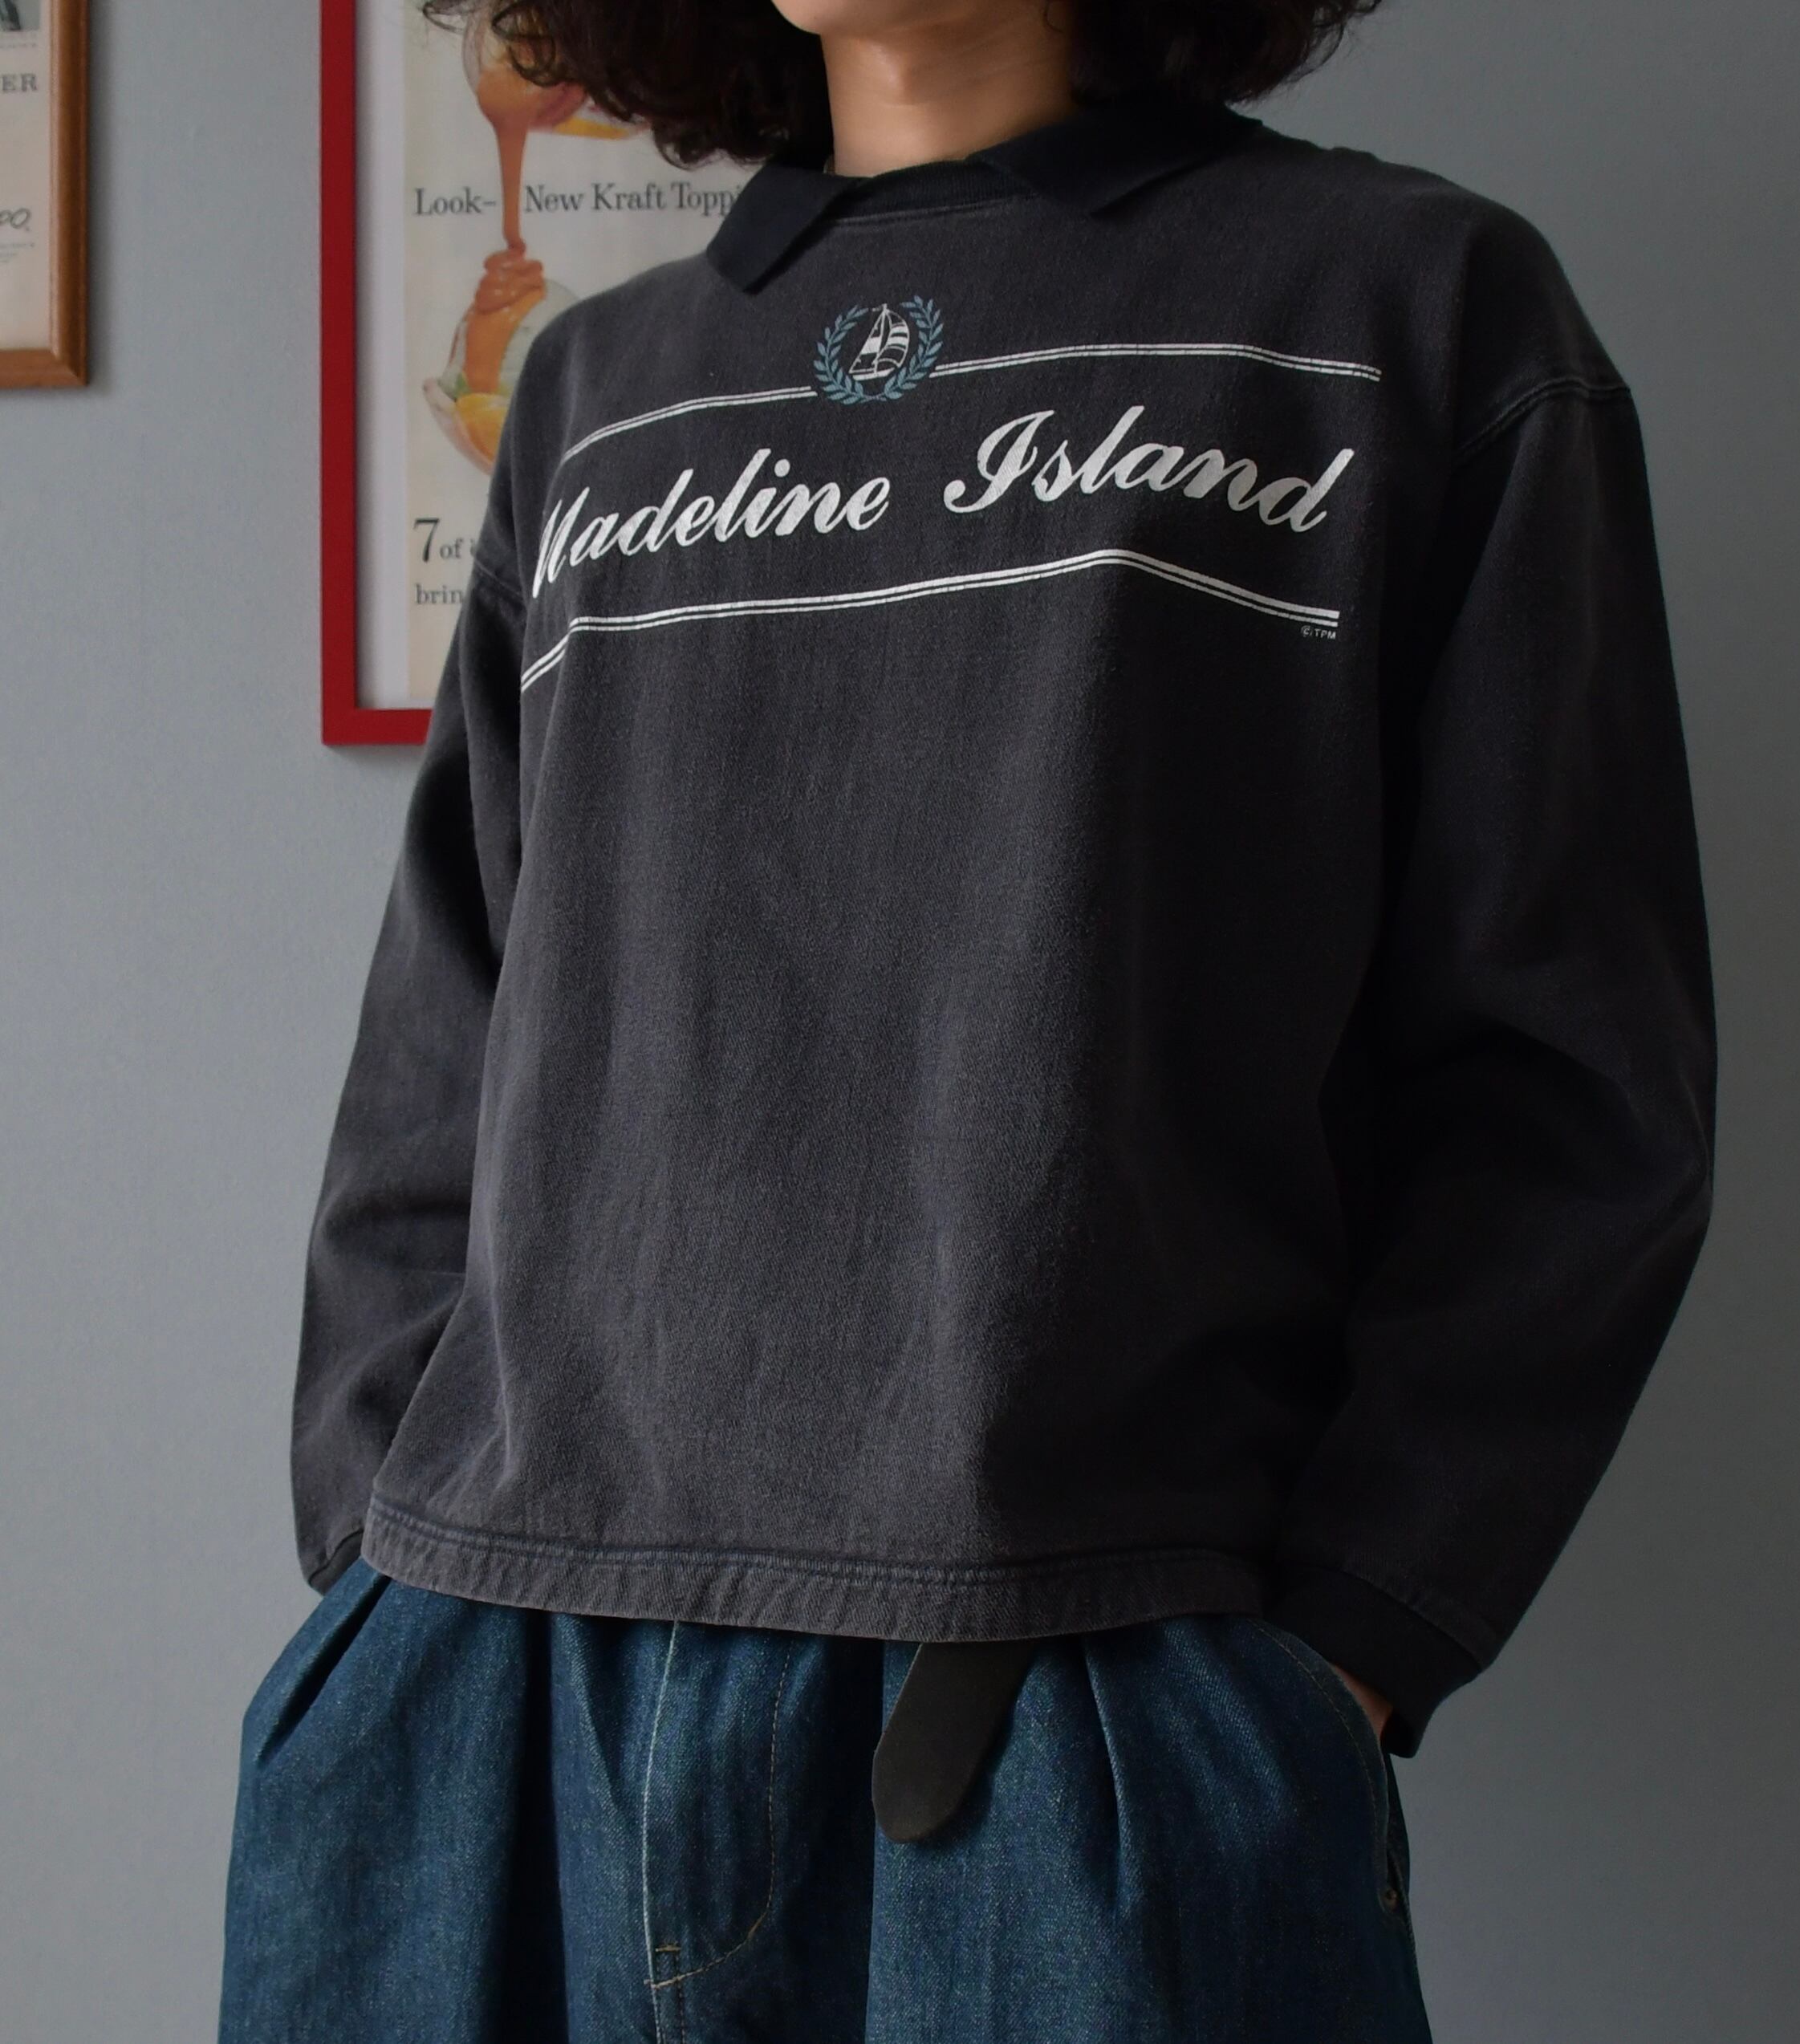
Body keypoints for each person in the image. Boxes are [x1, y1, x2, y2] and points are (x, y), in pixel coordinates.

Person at [218, 0, 1716, 2038]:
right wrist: (377, 1571)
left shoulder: (1399, 309)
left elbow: (1566, 1071)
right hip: (497, 1687)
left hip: (1077, 1711)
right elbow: (450, 1028)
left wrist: (1345, 1638)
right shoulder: (600, 381)